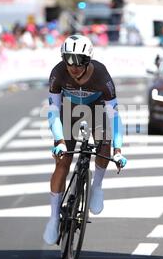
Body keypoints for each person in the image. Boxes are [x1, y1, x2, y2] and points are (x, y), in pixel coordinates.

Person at [43, 34, 127, 245]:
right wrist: (60, 140)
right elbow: (53, 111)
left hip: (97, 108)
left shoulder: (101, 75)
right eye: (68, 60)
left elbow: (115, 115)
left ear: (88, 60)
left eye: (79, 62)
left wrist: (118, 150)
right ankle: (54, 217)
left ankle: (96, 186)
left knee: (104, 144)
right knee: (62, 163)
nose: (73, 67)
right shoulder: (58, 73)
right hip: (69, 110)